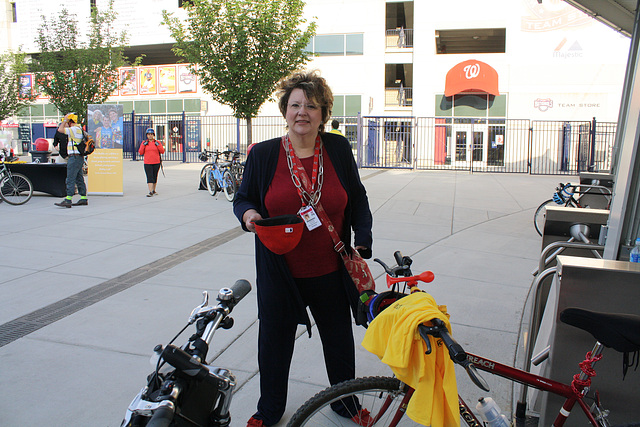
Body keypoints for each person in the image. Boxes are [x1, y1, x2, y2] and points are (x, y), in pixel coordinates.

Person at [233, 70, 373, 427]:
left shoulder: (338, 149)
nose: (303, 112)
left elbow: (356, 197)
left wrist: (363, 239)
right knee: (274, 346)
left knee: (339, 343)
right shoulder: (264, 154)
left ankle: (344, 401)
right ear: (285, 110)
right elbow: (244, 198)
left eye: (312, 105)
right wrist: (249, 215)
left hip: (330, 269)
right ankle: (270, 410)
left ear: (323, 114)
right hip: (281, 271)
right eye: (295, 104)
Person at [54, 113, 88, 207]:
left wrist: (65, 120)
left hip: (74, 157)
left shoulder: (74, 129)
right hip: (78, 157)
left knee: (70, 178)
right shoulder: (78, 129)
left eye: (66, 122)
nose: (64, 123)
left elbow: (60, 130)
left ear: (70, 122)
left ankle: (68, 200)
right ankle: (83, 198)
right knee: (79, 178)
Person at [138, 128, 164, 197]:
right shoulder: (144, 143)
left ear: (153, 135)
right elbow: (140, 152)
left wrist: (158, 145)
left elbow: (162, 151)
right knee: (150, 177)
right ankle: (150, 191)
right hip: (148, 163)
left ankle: (154, 190)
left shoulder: (157, 142)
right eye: (148, 134)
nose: (150, 136)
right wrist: (144, 145)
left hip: (156, 162)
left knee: (155, 176)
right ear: (147, 135)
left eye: (151, 134)